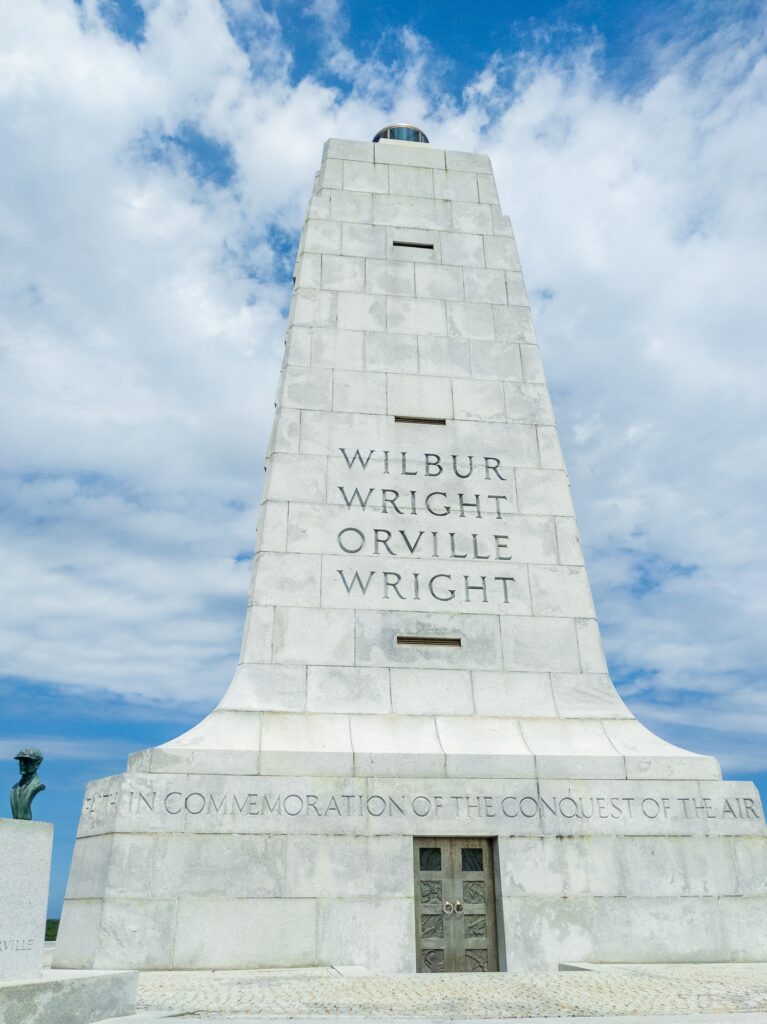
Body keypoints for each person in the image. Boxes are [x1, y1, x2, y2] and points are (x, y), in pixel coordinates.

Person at [10, 747, 45, 820]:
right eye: (20, 761)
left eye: (26, 761)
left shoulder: (37, 785)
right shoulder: (13, 789)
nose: (22, 764)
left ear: (37, 764)